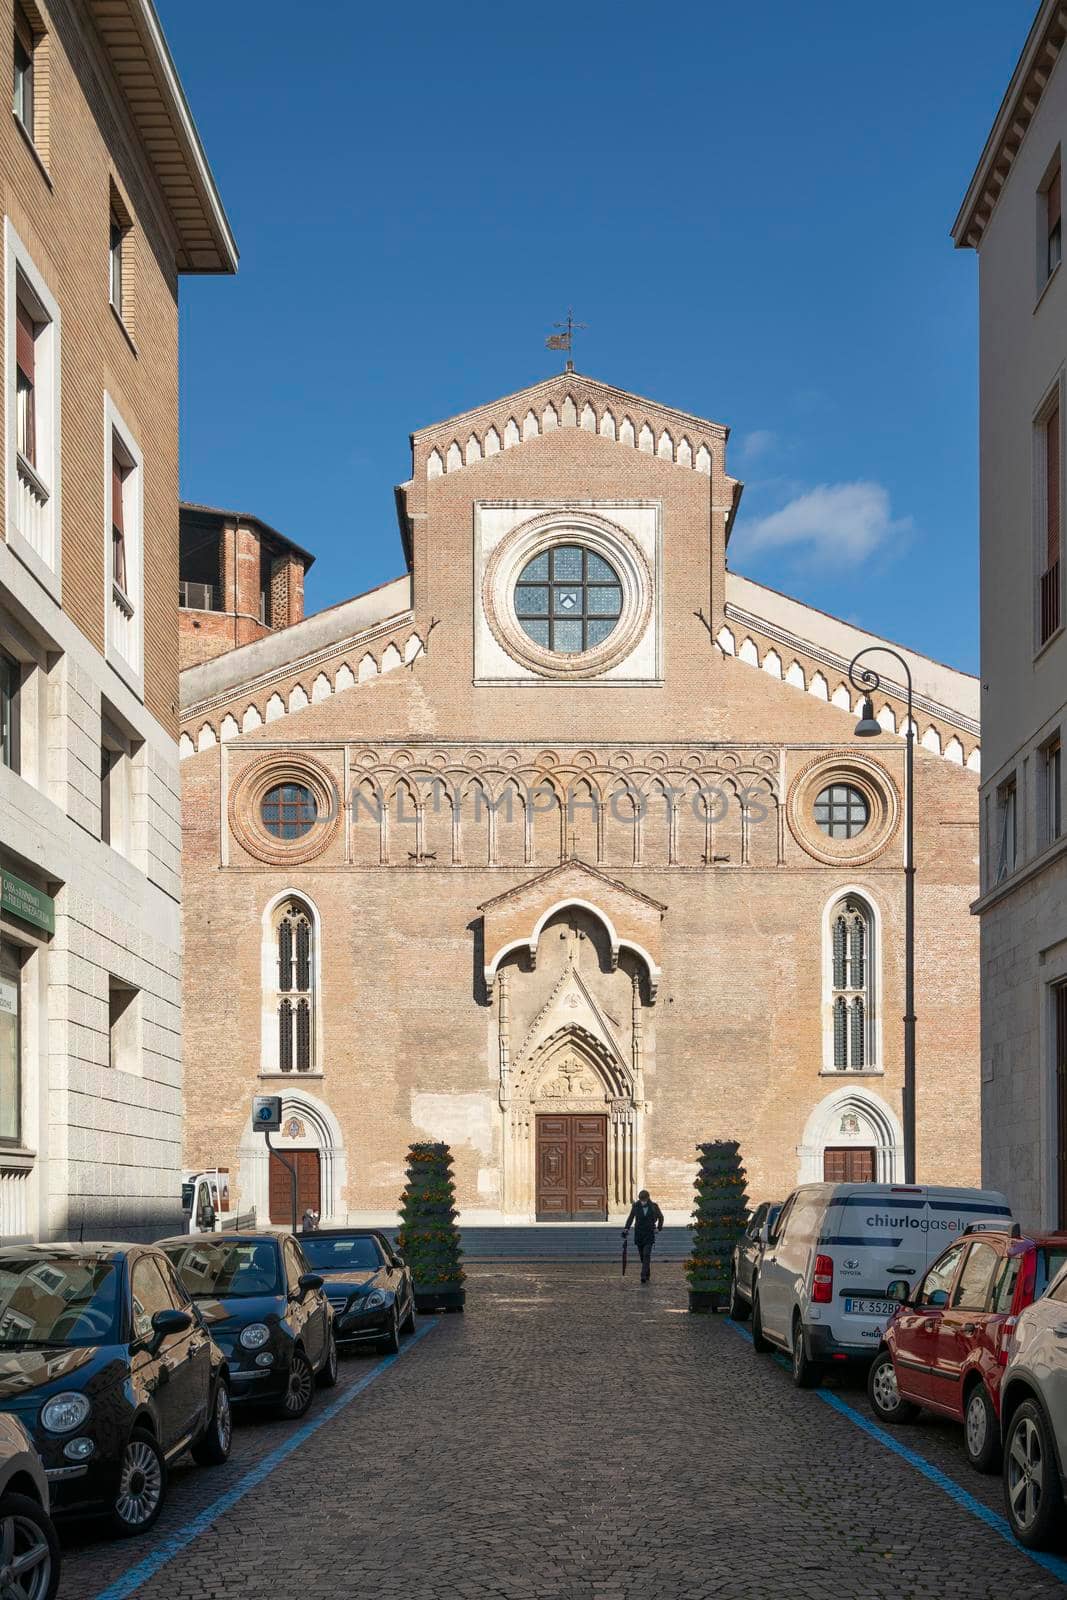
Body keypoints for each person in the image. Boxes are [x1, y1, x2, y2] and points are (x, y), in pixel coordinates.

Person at [622, 1190, 664, 1283]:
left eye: (644, 1200)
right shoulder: (636, 1206)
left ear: (648, 1198)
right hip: (639, 1234)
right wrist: (626, 1228)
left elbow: (661, 1217)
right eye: (641, 1200)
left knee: (646, 1254)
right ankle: (647, 1273)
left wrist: (658, 1228)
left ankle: (643, 1275)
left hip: (649, 1233)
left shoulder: (654, 1206)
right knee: (642, 1256)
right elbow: (631, 1217)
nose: (643, 1202)